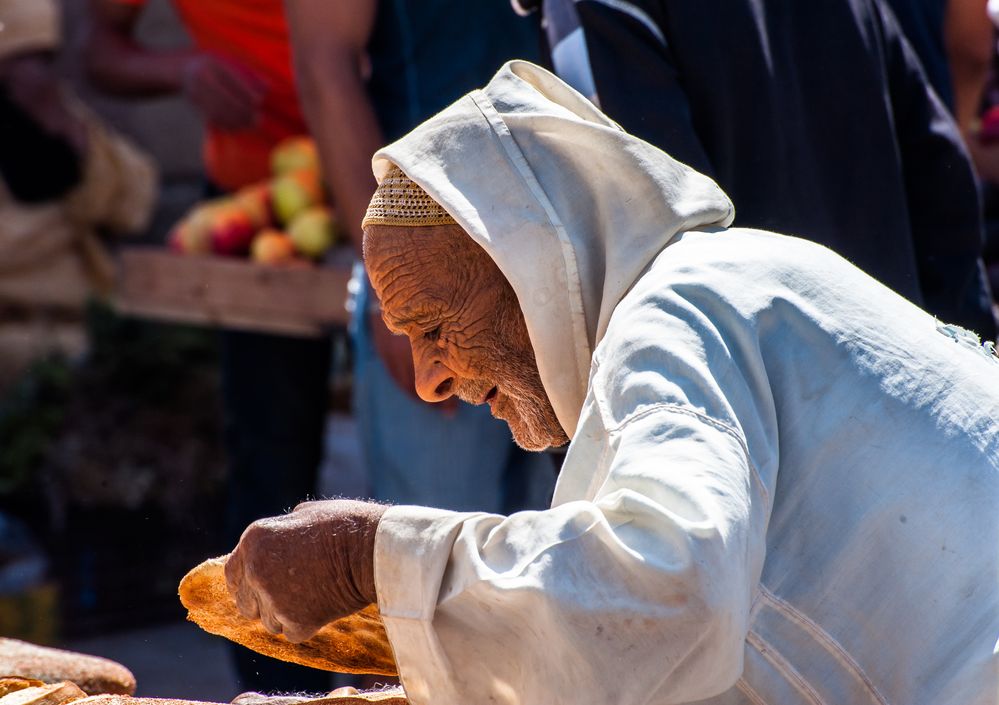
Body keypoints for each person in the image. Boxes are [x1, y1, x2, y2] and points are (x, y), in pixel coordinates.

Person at [224, 63, 998, 705]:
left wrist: (365, 555)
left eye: (431, 326)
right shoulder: (723, 282)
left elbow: (667, 586)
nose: (428, 380)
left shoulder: (672, 314)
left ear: (533, 263)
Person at [84, 1, 330, 693]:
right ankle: (275, 683)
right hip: (263, 199)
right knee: (270, 460)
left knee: (434, 438)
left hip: (397, 176)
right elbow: (100, 51)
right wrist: (183, 67)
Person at [514, 0, 998, 340]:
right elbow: (943, 175)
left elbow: (646, 230)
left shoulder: (591, 9)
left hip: (756, 428)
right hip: (891, 381)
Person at [284, 0, 555, 512]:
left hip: (563, 248)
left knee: (569, 551)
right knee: (438, 562)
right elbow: (325, 63)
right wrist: (399, 301)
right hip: (432, 273)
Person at [0, 0, 156, 387]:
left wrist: (65, 129)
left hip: (75, 348)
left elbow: (133, 204)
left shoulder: (47, 111)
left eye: (41, 59)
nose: (33, 71)